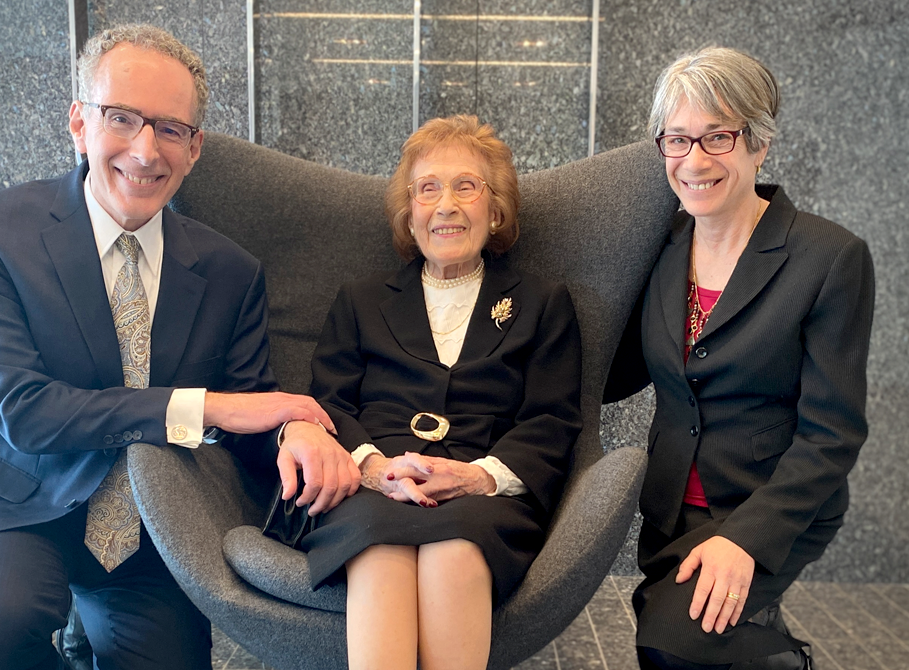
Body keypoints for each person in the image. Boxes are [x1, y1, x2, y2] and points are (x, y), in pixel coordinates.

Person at [0, 24, 358, 670]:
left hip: (147, 528)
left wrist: (295, 431)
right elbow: (25, 411)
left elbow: (249, 416)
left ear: (195, 148)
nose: (146, 149)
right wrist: (202, 407)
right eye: (121, 117)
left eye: (171, 129)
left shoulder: (230, 271)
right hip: (18, 503)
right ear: (79, 123)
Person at [279, 115, 583, 670]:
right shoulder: (360, 300)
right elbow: (331, 405)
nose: (446, 205)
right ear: (409, 214)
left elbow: (552, 420)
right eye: (428, 189)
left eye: (466, 186)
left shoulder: (543, 303)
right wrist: (374, 469)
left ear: (495, 211)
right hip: (367, 490)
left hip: (482, 497)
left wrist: (475, 476)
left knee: (455, 549)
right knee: (379, 546)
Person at [605, 47, 875, 670]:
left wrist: (746, 540)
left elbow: (833, 435)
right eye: (677, 139)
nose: (694, 161)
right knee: (681, 640)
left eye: (717, 137)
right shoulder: (661, 245)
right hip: (673, 506)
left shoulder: (828, 258)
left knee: (670, 647)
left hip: (771, 500)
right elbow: (616, 373)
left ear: (759, 143)